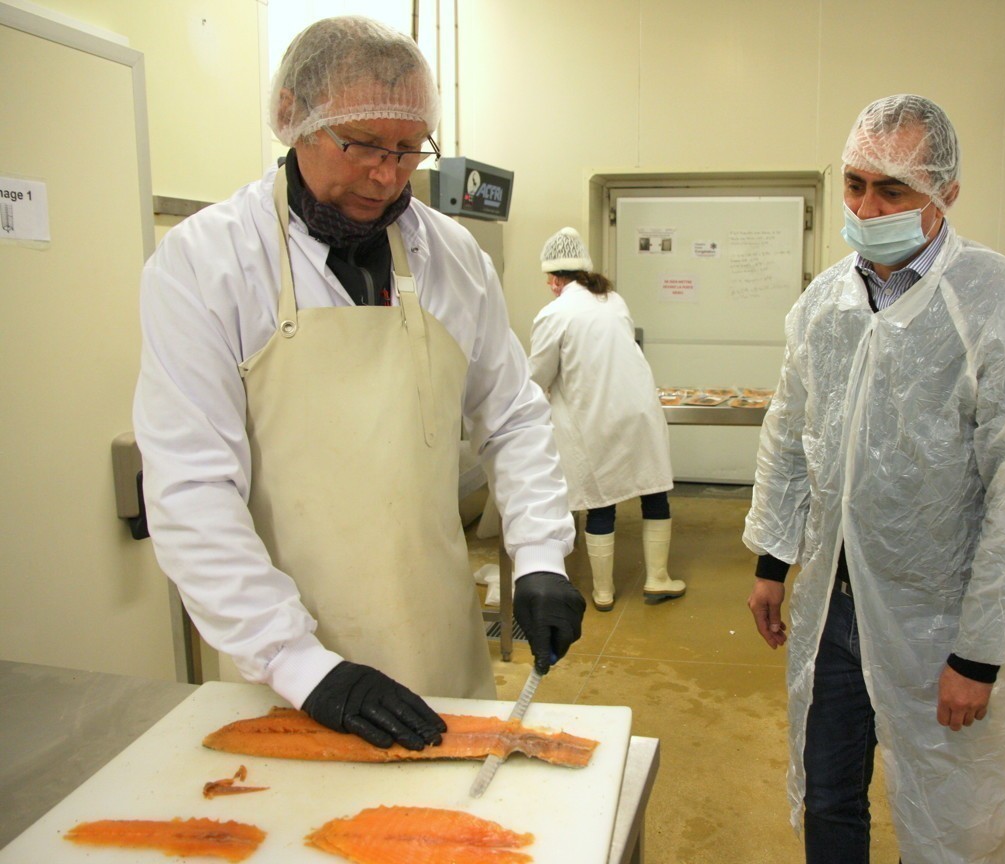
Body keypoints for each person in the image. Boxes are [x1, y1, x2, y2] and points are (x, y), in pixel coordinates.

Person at [133, 16, 584, 752]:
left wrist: (539, 555)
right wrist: (305, 667)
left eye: (410, 149)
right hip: (280, 668)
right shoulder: (208, 264)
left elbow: (511, 417)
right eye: (365, 146)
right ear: (291, 118)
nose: (389, 174)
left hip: (437, 642)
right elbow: (190, 489)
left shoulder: (451, 256)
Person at [743, 94, 1005, 864]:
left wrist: (981, 653)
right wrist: (773, 563)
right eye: (855, 183)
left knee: (949, 814)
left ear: (945, 195)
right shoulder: (823, 303)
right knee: (830, 793)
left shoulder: (1002, 306)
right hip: (832, 601)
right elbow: (792, 439)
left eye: (893, 190)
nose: (867, 206)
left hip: (943, 619)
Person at [528, 227, 684, 611]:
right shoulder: (613, 300)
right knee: (653, 492)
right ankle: (657, 579)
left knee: (601, 499)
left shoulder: (554, 313)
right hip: (638, 410)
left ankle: (603, 592)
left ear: (553, 278)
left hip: (594, 415)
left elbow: (537, 376)